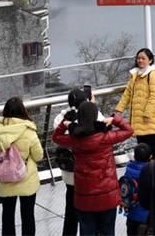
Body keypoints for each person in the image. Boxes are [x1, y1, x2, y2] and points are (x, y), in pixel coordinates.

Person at [52, 101, 133, 236]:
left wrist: (65, 123)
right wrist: (114, 119)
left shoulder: (74, 139)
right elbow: (129, 130)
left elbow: (56, 137)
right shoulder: (106, 137)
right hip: (107, 194)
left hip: (84, 196)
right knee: (108, 231)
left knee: (87, 231)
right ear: (96, 116)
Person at [0, 97, 44, 236]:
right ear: (23, 111)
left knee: (7, 215)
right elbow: (38, 156)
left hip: (5, 178)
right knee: (28, 215)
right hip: (26, 178)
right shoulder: (28, 130)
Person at [53, 88, 104, 236]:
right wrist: (92, 105)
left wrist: (67, 122)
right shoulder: (95, 116)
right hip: (88, 173)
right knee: (89, 210)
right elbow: (101, 130)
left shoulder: (61, 118)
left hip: (70, 173)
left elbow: (58, 136)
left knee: (70, 208)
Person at [115, 48, 155, 156]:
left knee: (151, 147)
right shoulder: (135, 74)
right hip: (137, 118)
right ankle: (144, 165)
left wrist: (147, 113)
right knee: (141, 147)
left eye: (143, 58)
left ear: (150, 60)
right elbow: (127, 93)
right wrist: (119, 110)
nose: (140, 60)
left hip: (148, 117)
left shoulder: (153, 74)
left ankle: (153, 166)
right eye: (138, 58)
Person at [120, 143, 152, 236]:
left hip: (131, 214)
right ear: (150, 156)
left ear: (134, 156)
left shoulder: (128, 171)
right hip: (147, 216)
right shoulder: (151, 171)